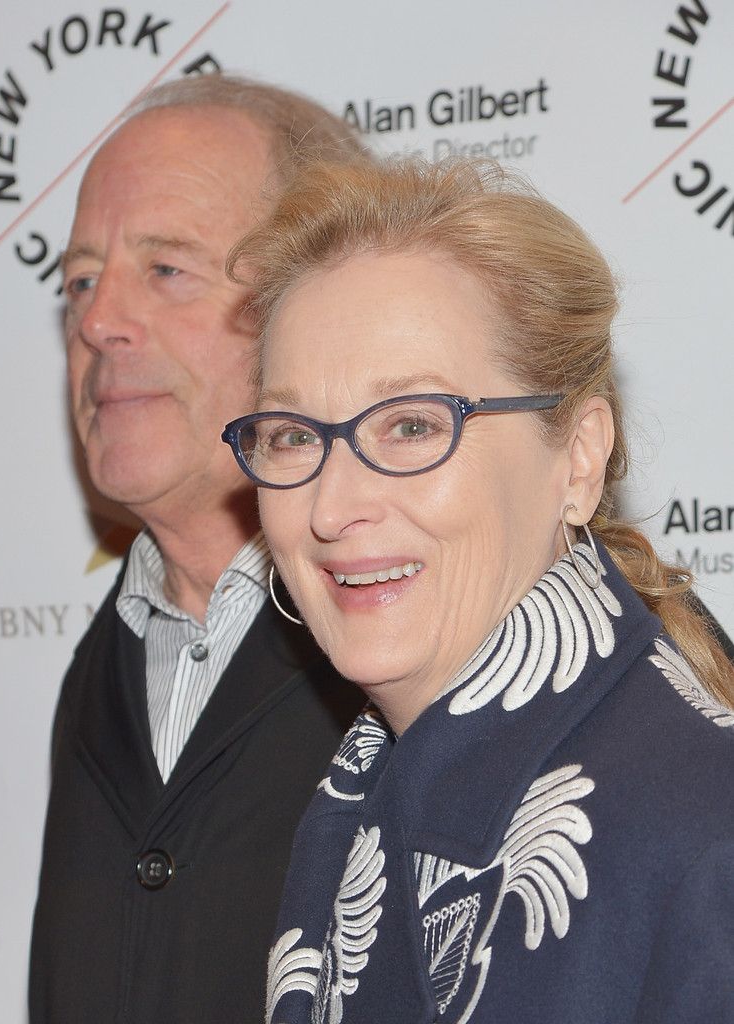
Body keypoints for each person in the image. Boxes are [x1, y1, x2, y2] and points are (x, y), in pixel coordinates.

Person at [221, 158, 734, 1024]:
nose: (332, 508)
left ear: (578, 457)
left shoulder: (701, 839)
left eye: (411, 424)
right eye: (292, 435)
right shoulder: (353, 805)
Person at [29, 75, 366, 1024]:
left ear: (312, 303)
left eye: (166, 269)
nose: (97, 321)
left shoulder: (435, 636)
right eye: (80, 282)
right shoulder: (101, 668)